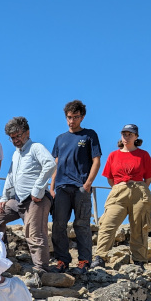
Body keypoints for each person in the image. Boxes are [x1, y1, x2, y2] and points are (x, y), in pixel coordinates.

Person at [0, 117, 56, 271]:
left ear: (27, 132)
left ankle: (41, 270)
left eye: (18, 136)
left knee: (34, 233)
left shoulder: (36, 147)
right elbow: (11, 176)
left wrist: (38, 188)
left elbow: (50, 164)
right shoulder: (16, 154)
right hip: (17, 200)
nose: (15, 140)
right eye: (12, 138)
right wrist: (4, 199)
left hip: (36, 200)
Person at [92, 124, 151, 269]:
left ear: (136, 137)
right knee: (108, 223)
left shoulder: (143, 154)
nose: (126, 137)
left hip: (139, 190)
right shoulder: (113, 155)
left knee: (139, 226)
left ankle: (139, 261)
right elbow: (109, 178)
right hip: (118, 191)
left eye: (130, 134)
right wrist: (120, 187)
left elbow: (149, 178)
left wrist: (139, 189)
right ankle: (100, 257)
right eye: (124, 134)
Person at [50, 100, 102, 273]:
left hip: (80, 186)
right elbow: (55, 164)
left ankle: (84, 261)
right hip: (61, 187)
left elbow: (96, 161)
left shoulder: (89, 135)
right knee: (58, 224)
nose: (72, 121)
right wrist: (51, 187)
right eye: (69, 117)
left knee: (81, 225)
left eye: (76, 117)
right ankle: (62, 260)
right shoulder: (60, 138)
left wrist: (88, 184)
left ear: (82, 117)